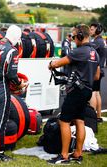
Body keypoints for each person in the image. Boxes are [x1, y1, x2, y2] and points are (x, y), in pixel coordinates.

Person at [47, 24, 100, 165]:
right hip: (87, 90)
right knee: (79, 120)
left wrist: (51, 64)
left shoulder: (79, 52)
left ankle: (64, 155)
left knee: (64, 121)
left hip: (76, 91)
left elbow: (58, 63)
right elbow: (96, 76)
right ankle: (77, 154)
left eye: (74, 36)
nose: (73, 39)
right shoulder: (95, 53)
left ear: (80, 36)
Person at [0, 25, 27, 162]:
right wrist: (20, 84)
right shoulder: (12, 51)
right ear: (17, 37)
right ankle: (0, 153)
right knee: (0, 122)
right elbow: (11, 75)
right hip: (1, 89)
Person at [89, 23, 106, 123]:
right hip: (100, 69)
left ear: (97, 30)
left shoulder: (97, 41)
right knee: (97, 93)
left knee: (93, 93)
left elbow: (88, 49)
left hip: (96, 70)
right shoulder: (101, 41)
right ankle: (98, 116)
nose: (90, 31)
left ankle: (92, 118)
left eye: (91, 29)